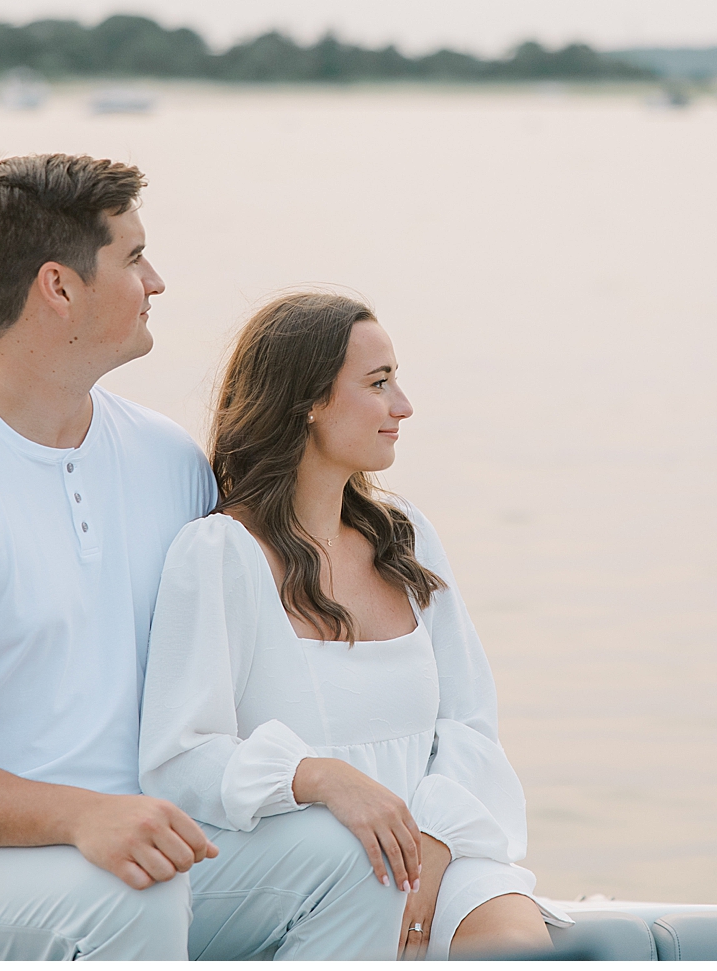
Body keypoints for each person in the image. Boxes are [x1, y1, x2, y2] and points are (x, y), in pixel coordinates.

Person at [0, 156, 405, 960]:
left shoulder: (168, 461)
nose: (156, 280)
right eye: (133, 258)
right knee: (132, 894)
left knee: (355, 861)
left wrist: (324, 773)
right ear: (59, 287)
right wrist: (80, 815)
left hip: (131, 836)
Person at [140, 292, 572, 960]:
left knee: (515, 946)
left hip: (437, 836)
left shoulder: (406, 538)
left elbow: (469, 723)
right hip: (302, 859)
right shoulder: (222, 554)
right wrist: (319, 776)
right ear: (310, 401)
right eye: (378, 384)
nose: (403, 406)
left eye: (396, 379)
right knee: (355, 884)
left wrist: (427, 850)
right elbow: (181, 756)